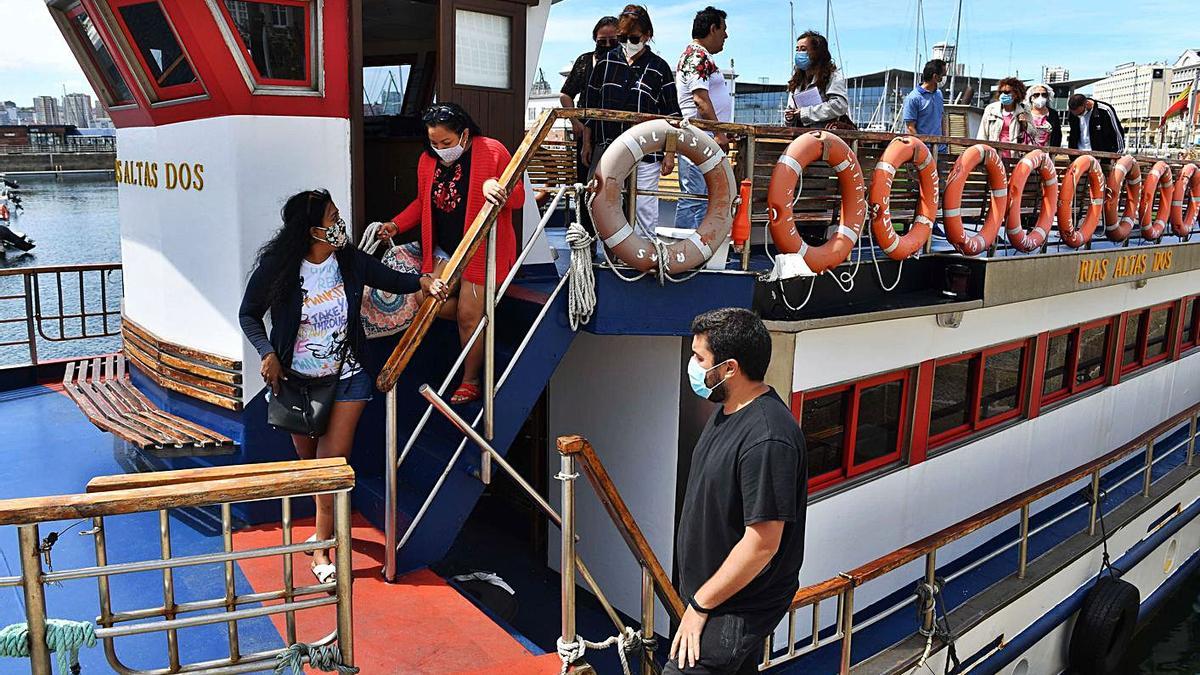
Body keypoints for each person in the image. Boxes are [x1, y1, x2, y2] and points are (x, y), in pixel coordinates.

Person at [240, 189, 448, 583]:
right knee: (311, 469)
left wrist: (425, 282)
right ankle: (325, 530)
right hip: (296, 383)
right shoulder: (278, 267)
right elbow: (249, 314)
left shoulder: (348, 260)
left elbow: (391, 278)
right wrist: (267, 352)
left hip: (349, 376)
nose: (340, 225)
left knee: (330, 467)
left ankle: (321, 549)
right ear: (311, 230)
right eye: (332, 218)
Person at [668, 308, 807, 675]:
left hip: (734, 608)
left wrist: (700, 606)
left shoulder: (768, 437)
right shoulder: (728, 409)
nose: (692, 366)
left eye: (699, 358)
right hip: (710, 597)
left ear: (729, 368)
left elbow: (762, 543)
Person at [373, 103, 524, 405]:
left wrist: (497, 186)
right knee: (424, 299)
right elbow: (421, 203)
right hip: (445, 249)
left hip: (482, 250)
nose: (440, 149)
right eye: (434, 143)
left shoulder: (492, 151)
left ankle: (470, 380)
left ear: (464, 134)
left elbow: (518, 198)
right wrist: (395, 225)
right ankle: (468, 317)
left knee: (469, 314)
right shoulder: (426, 161)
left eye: (446, 143)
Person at [583, 4, 680, 231]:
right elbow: (590, 107)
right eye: (622, 38)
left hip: (646, 152)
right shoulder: (605, 63)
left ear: (647, 36)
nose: (628, 43)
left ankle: (643, 258)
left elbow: (673, 114)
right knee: (604, 204)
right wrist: (587, 143)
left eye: (634, 38)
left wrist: (670, 153)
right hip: (608, 148)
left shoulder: (660, 68)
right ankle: (608, 258)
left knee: (644, 207)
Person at [674, 6, 731, 231]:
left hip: (704, 139)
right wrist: (719, 133)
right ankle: (683, 250)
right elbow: (700, 99)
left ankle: (692, 250)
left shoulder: (700, 57)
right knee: (693, 197)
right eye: (723, 29)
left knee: (700, 197)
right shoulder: (696, 56)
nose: (726, 35)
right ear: (712, 28)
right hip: (699, 138)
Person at [560, 16, 620, 193]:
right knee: (586, 182)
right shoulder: (585, 61)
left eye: (613, 40)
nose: (608, 45)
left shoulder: (625, 63)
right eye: (603, 41)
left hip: (615, 131)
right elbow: (566, 95)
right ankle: (585, 220)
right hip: (588, 132)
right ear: (595, 39)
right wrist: (575, 122)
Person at [784, 31, 849, 128]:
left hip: (825, 136)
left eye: (803, 49)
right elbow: (791, 109)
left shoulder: (832, 77)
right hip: (801, 135)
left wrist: (805, 113)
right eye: (797, 50)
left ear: (817, 52)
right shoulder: (797, 81)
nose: (799, 53)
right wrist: (789, 117)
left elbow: (839, 105)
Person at [902, 59, 947, 151]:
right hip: (924, 150)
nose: (945, 78)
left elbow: (941, 118)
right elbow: (910, 128)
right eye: (943, 75)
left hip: (941, 149)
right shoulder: (913, 98)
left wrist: (945, 140)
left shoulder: (939, 94)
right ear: (935, 77)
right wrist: (922, 149)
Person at [978, 77, 1030, 156]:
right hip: (994, 154)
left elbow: (1034, 133)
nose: (1003, 95)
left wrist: (1025, 124)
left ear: (1016, 94)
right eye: (1001, 92)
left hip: (1015, 155)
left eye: (1007, 92)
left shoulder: (1024, 110)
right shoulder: (991, 109)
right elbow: (982, 134)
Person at [1026, 83, 1062, 148]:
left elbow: (1057, 135)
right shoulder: (1025, 113)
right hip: (1027, 153)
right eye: (1036, 95)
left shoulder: (1053, 114)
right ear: (1031, 97)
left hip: (1047, 154)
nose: (1040, 97)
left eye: (1044, 94)